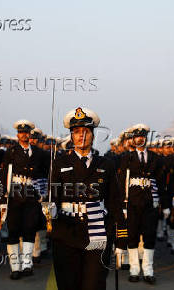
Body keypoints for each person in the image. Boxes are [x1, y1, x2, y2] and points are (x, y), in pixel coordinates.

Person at [49, 107, 125, 290]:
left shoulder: (106, 164)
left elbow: (115, 202)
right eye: (76, 132)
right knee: (68, 284)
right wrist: (49, 215)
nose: (81, 136)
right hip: (67, 232)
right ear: (71, 136)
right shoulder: (59, 163)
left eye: (86, 132)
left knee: (94, 284)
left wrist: (121, 239)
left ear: (93, 135)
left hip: (97, 231)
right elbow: (52, 198)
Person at [0, 120, 49, 279]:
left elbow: (44, 174)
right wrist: (3, 199)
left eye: (27, 133)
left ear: (30, 134)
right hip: (15, 194)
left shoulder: (39, 153)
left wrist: (43, 194)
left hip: (31, 194)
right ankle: (15, 267)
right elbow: (5, 176)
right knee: (13, 230)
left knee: (30, 228)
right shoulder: (11, 151)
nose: (24, 135)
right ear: (18, 134)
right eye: (21, 133)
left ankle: (27, 264)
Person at [117, 123, 164, 284]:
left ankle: (148, 270)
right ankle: (134, 270)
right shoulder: (126, 158)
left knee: (150, 236)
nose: (140, 139)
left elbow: (159, 181)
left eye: (143, 136)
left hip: (150, 201)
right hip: (132, 202)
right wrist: (123, 204)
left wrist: (159, 202)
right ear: (133, 139)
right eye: (137, 136)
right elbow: (123, 182)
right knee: (132, 236)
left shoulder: (155, 158)